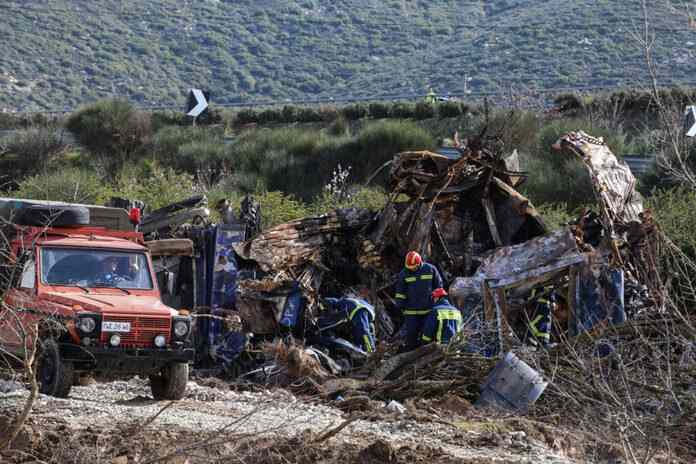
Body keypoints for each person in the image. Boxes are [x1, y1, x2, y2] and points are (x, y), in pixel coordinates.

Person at [394, 251, 444, 351]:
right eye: (409, 268)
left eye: (414, 267)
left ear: (419, 263)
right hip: (411, 312)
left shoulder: (430, 269)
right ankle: (410, 356)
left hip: (428, 310)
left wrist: (437, 302)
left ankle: (427, 356)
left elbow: (439, 287)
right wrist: (399, 305)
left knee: (428, 335)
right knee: (411, 336)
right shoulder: (404, 273)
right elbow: (400, 291)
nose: (412, 270)